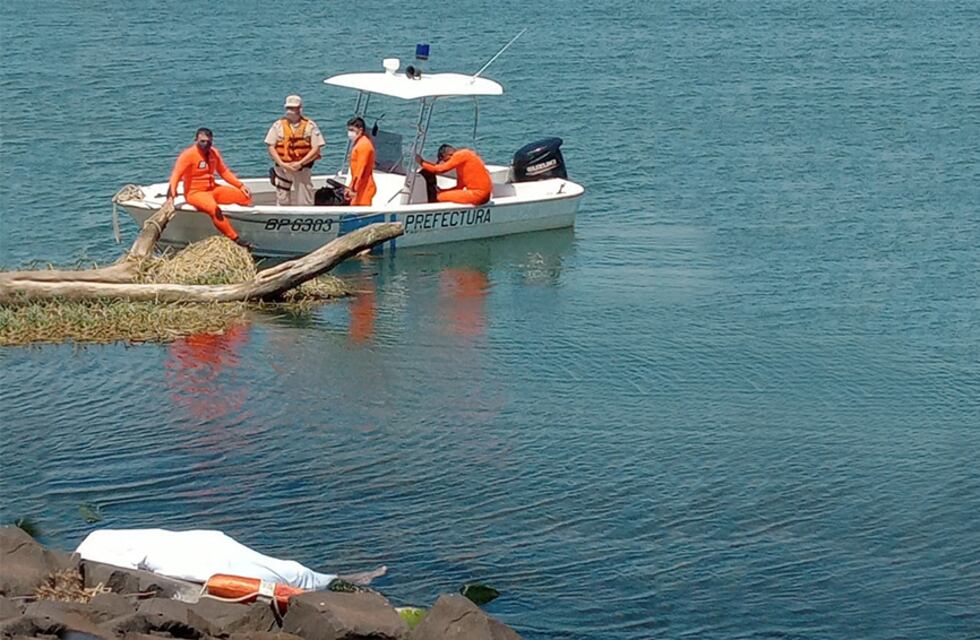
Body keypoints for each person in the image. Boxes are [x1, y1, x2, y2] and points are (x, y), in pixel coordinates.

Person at [165, 128, 253, 247]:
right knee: (213, 209)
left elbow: (224, 172)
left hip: (213, 189)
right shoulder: (188, 155)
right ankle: (235, 238)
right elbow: (176, 175)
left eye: (209, 142)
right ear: (196, 140)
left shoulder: (214, 153)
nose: (206, 144)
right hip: (195, 193)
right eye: (202, 141)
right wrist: (171, 195)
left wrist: (240, 185)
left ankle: (244, 226)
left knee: (245, 197)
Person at [265, 95, 325, 206]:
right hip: (282, 168)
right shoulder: (277, 125)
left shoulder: (310, 126)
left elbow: (316, 148)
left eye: (292, 108)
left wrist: (300, 163)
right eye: (288, 108)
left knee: (304, 198)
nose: (289, 111)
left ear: (299, 109)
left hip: (302, 168)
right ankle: (282, 218)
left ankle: (305, 218)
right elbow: (270, 146)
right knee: (282, 197)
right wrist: (282, 163)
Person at [414, 144, 492, 205]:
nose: (446, 163)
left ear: (449, 155)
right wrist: (442, 190)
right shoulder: (463, 163)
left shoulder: (461, 155)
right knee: (440, 194)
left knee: (438, 197)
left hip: (478, 195)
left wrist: (421, 162)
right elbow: (459, 187)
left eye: (446, 161)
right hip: (483, 195)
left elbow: (440, 169)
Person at [345, 117, 376, 206]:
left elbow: (360, 170)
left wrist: (353, 188)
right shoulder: (359, 143)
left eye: (352, 130)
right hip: (360, 186)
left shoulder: (364, 145)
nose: (350, 133)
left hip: (364, 187)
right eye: (348, 130)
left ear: (360, 130)